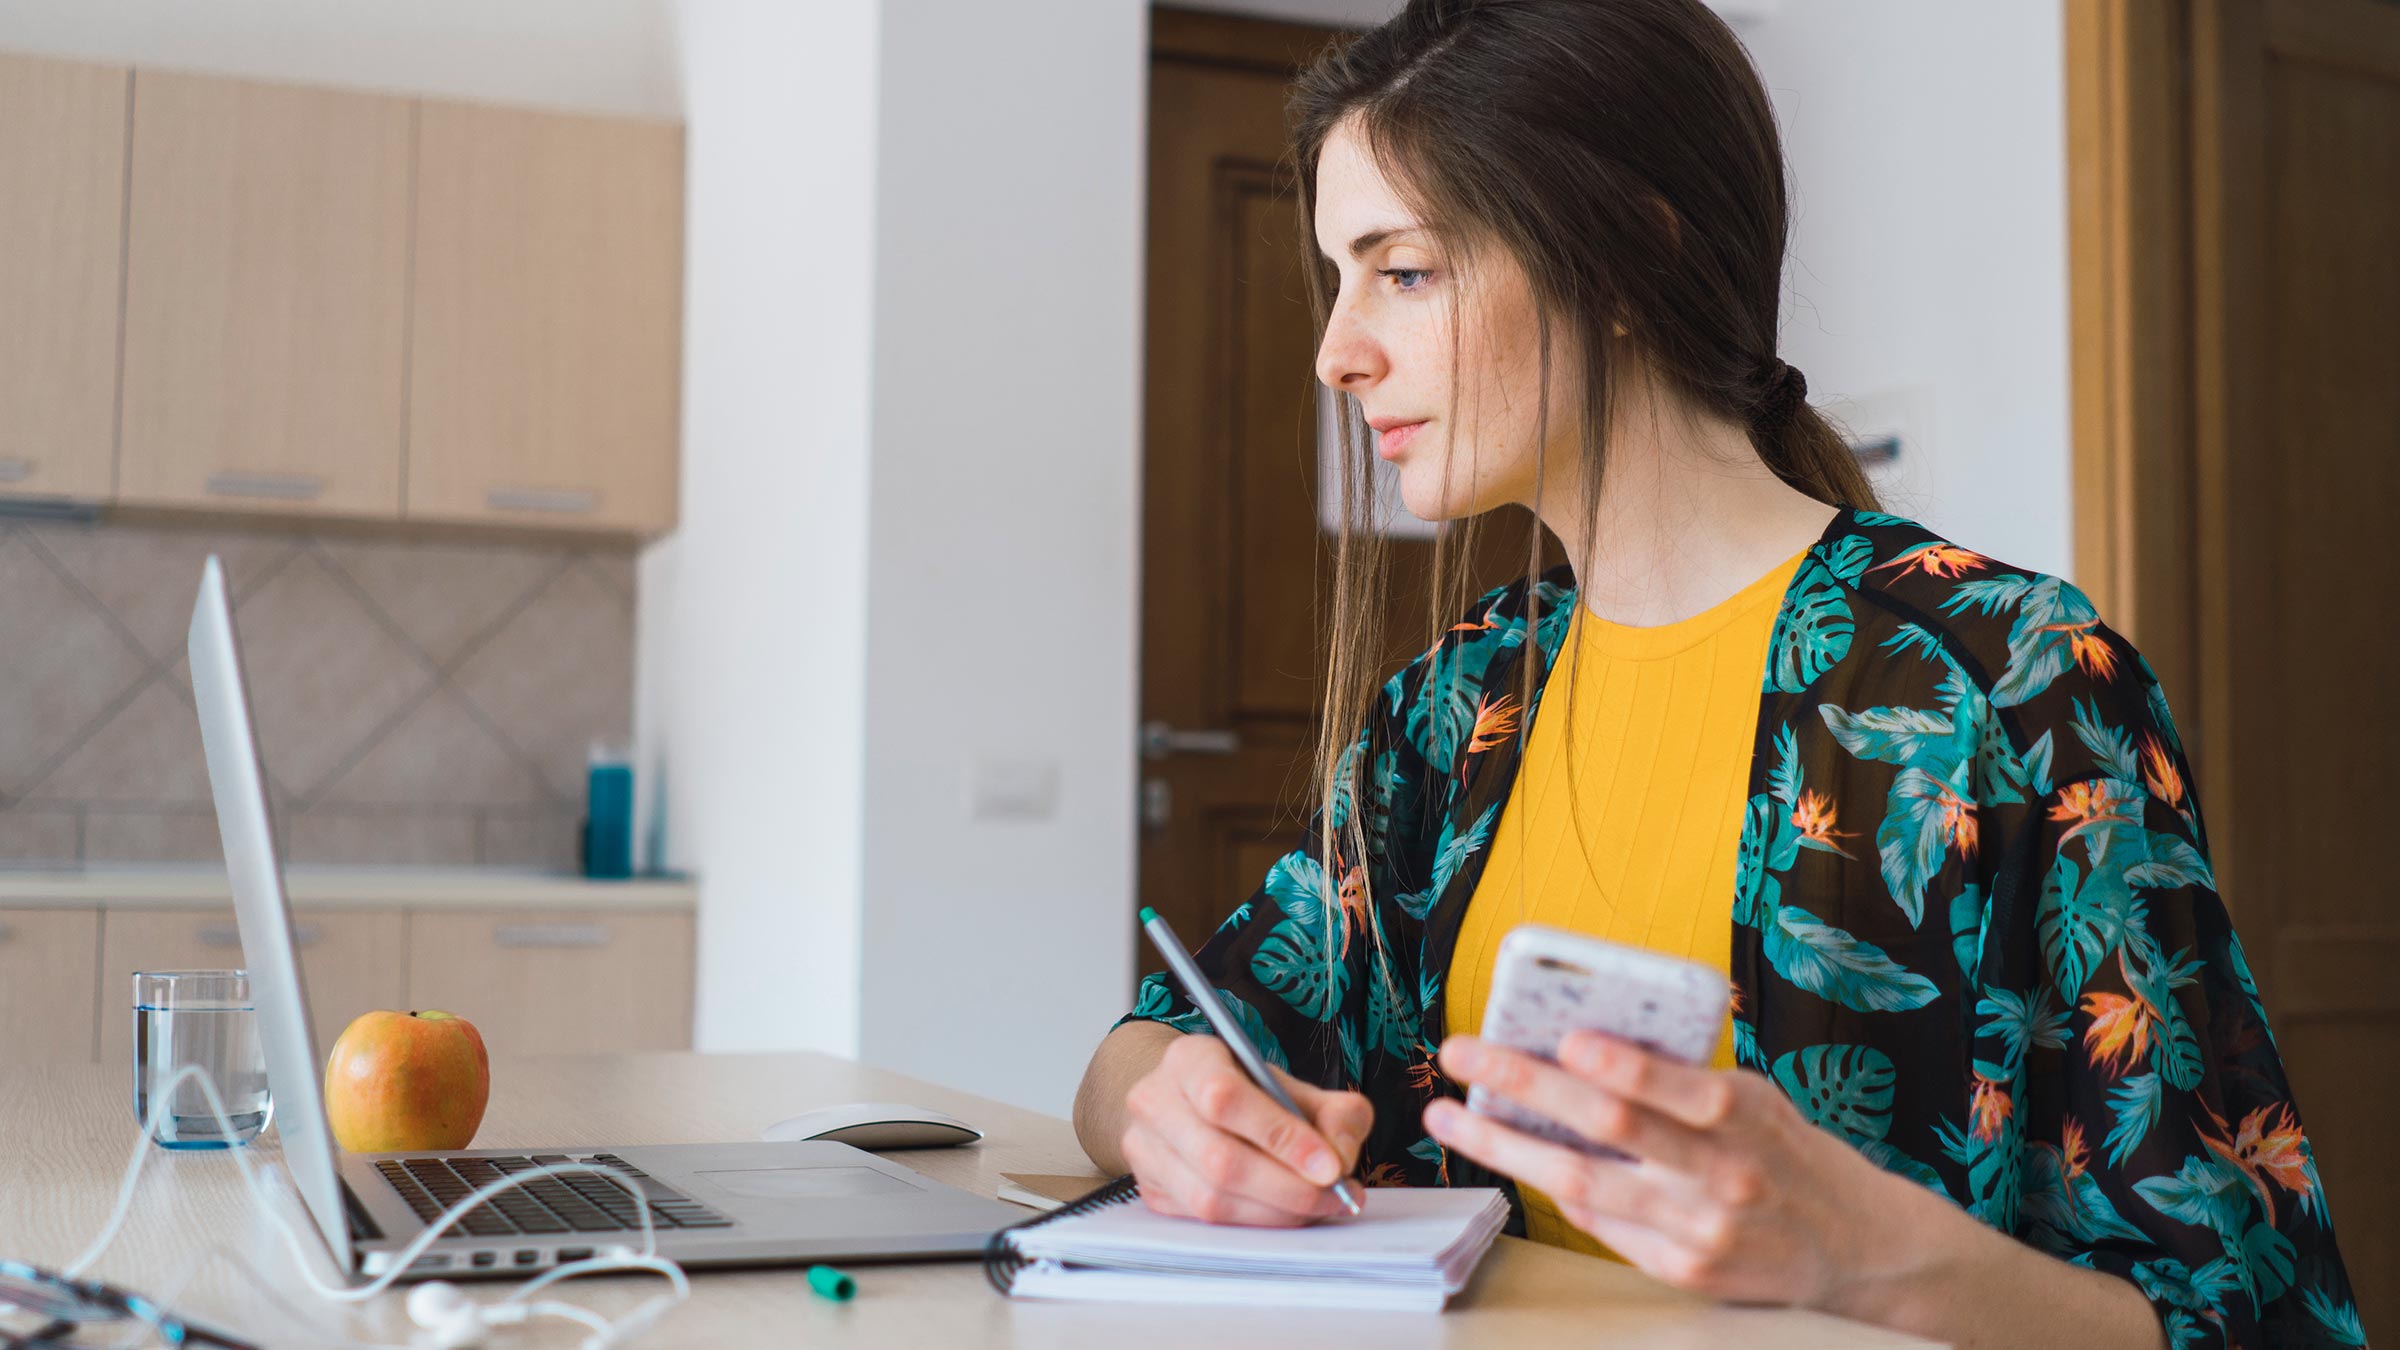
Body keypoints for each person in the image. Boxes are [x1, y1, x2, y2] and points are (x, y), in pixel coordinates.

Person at [1071, 2, 2364, 1347]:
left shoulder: (2014, 686)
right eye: (1340, 276)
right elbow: (1148, 1041)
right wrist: (1165, 1102)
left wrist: (1870, 1261)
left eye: (1401, 270)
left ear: (1629, 254)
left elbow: (2251, 1312)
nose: (1337, 351)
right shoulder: (1454, 710)